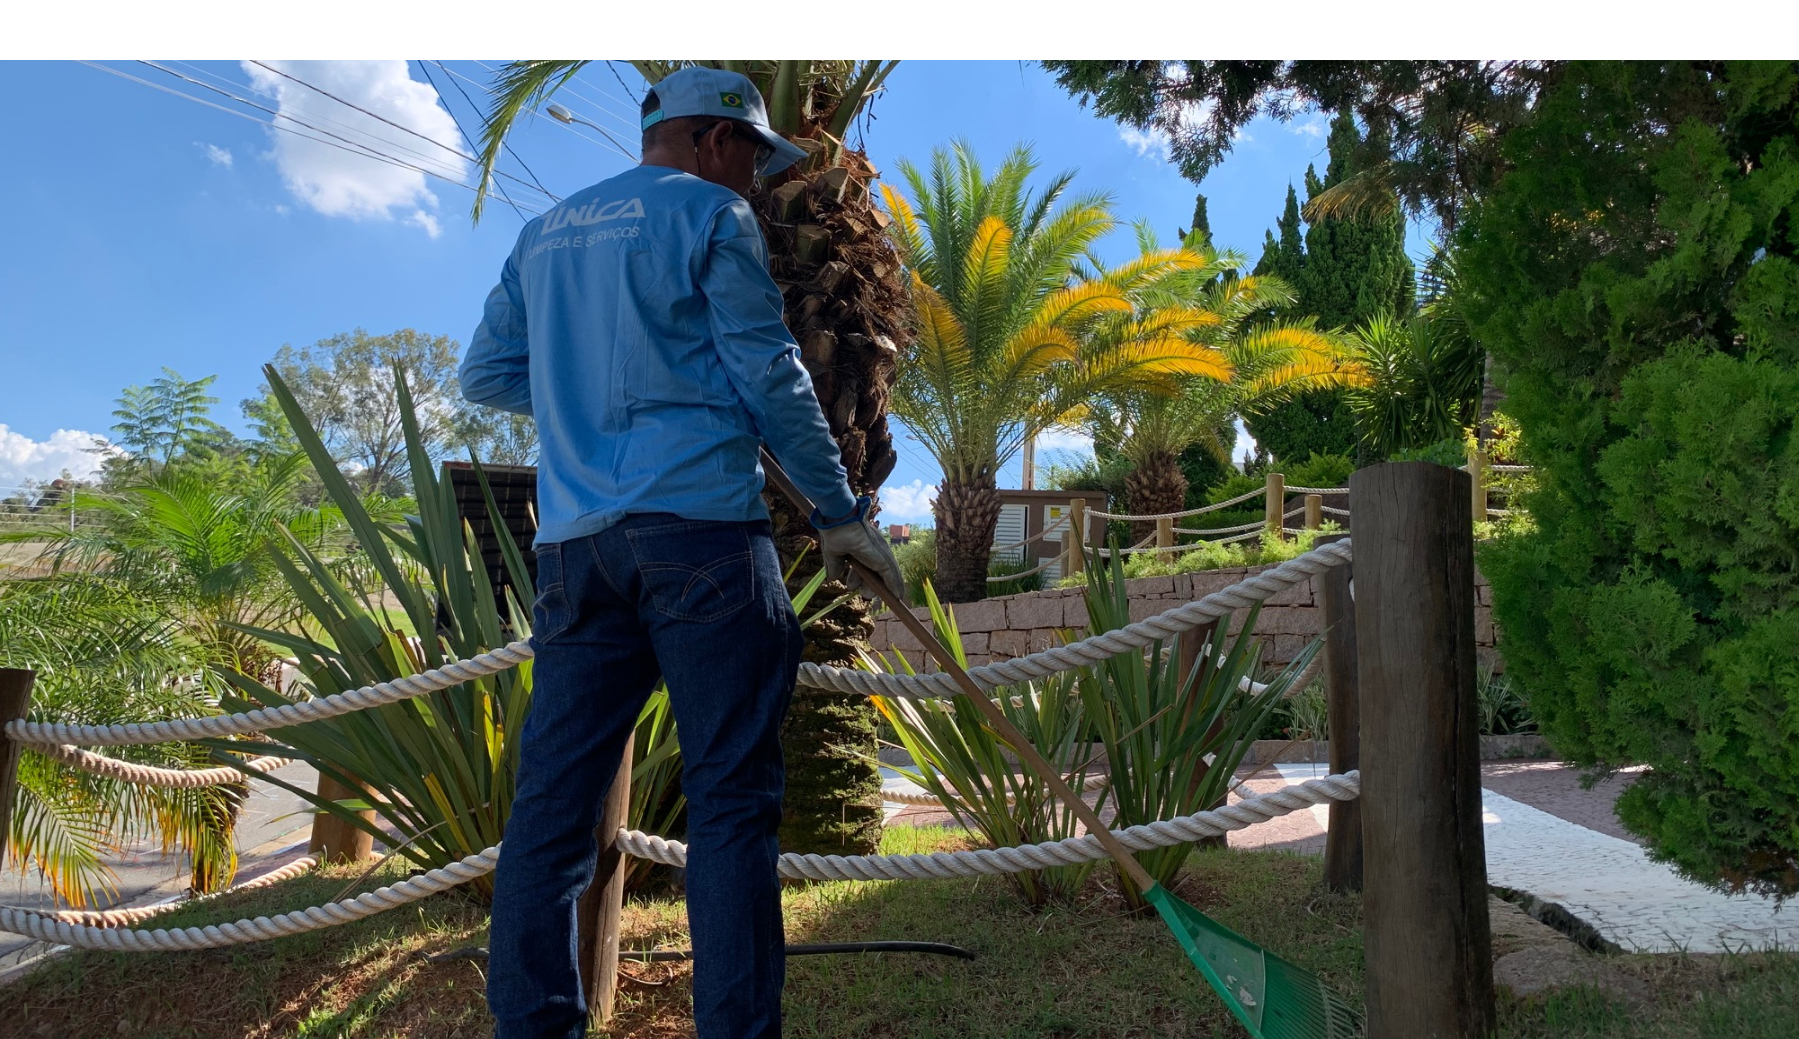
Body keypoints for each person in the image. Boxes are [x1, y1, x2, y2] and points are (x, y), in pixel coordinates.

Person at [459, 66, 905, 1039]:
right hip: (702, 533)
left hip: (576, 552)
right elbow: (769, 371)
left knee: (549, 813)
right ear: (711, 140)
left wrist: (584, 392)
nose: (753, 177)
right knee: (732, 807)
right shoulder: (710, 216)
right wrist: (839, 514)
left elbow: (485, 374)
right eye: (750, 153)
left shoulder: (544, 234)